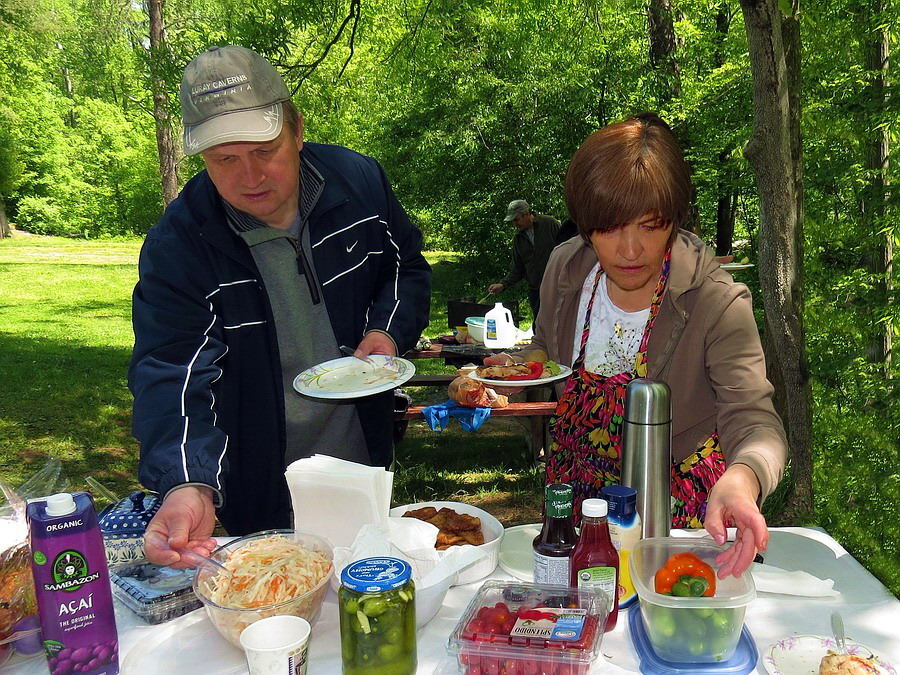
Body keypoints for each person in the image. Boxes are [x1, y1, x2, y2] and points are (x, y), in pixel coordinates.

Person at [130, 46, 431, 566]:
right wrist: (188, 482)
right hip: (256, 475)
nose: (250, 178)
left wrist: (386, 331)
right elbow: (172, 370)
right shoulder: (180, 245)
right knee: (276, 590)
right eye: (225, 159)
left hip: (362, 456)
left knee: (365, 577)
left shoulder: (359, 184)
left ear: (297, 130)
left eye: (264, 150)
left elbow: (405, 268)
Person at [487, 113, 786, 577]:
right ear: (586, 225)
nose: (629, 250)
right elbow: (544, 346)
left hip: (676, 512)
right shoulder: (566, 270)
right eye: (609, 228)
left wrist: (744, 477)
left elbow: (754, 418)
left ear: (674, 220)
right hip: (578, 504)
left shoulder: (715, 301)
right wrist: (516, 371)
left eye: (649, 226)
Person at [487, 199, 560, 317]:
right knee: (539, 324)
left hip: (557, 286)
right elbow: (518, 269)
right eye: (513, 221)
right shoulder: (518, 239)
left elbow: (567, 249)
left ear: (526, 214)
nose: (515, 224)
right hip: (536, 290)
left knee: (560, 322)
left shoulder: (549, 224)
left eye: (516, 219)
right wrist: (503, 285)